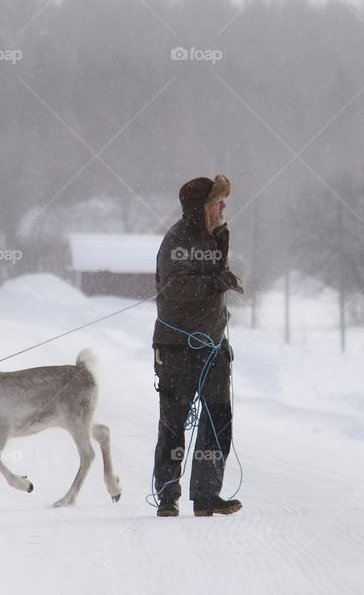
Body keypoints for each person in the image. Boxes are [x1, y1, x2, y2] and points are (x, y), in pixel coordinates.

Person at [152, 173, 244, 517]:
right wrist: (215, 282)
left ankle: (206, 495)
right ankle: (166, 495)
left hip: (213, 346)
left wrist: (219, 279)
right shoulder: (176, 240)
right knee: (173, 423)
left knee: (218, 418)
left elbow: (209, 281)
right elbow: (175, 289)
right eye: (217, 202)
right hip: (177, 346)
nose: (223, 208)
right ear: (200, 208)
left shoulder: (216, 236)